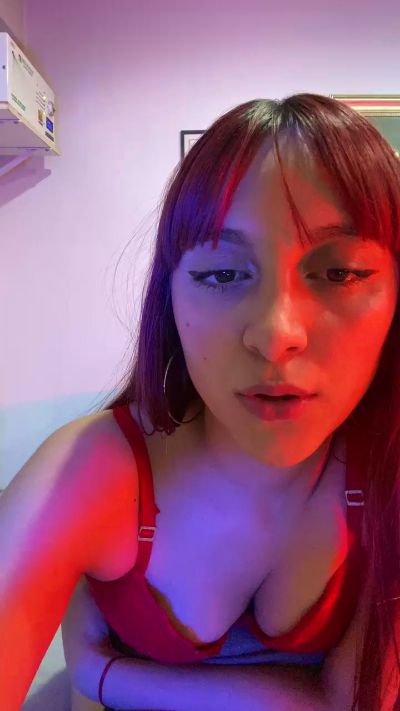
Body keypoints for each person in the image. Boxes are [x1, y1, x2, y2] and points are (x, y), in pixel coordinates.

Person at [1, 93, 399, 711]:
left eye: (340, 273)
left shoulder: (384, 473)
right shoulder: (92, 469)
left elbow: (354, 700)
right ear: (171, 297)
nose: (275, 334)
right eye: (222, 273)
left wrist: (104, 674)